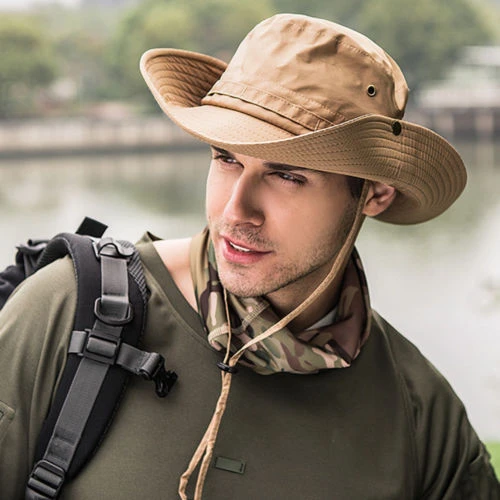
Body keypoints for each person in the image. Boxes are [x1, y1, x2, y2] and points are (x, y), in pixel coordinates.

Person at [0, 12, 498, 500]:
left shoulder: (419, 413)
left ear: (375, 195)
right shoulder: (65, 311)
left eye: (287, 175)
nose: (237, 209)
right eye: (226, 158)